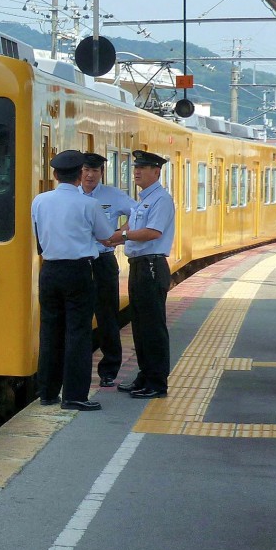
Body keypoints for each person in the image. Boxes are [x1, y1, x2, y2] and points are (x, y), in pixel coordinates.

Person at [31, 149, 114, 411]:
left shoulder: (40, 201)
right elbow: (105, 236)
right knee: (78, 333)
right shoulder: (89, 204)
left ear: (55, 175)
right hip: (78, 271)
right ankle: (74, 396)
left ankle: (47, 392)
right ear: (80, 175)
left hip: (49, 271)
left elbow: (37, 236)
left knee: (50, 331)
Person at [105, 150, 176, 399]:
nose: (137, 171)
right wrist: (115, 234)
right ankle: (145, 375)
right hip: (139, 266)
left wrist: (121, 237)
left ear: (156, 172)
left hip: (152, 266)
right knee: (140, 325)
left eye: (143, 168)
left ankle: (157, 383)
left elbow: (153, 232)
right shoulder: (144, 200)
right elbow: (132, 226)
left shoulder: (161, 200)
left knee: (153, 327)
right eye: (136, 167)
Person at [81, 153, 136, 387]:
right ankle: (78, 368)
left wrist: (119, 235)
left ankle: (109, 369)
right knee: (78, 317)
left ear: (101, 173)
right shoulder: (70, 194)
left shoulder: (112, 195)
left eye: (95, 171)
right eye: (86, 170)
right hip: (79, 262)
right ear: (79, 172)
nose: (90, 175)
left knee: (107, 317)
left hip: (103, 262)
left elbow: (139, 214)